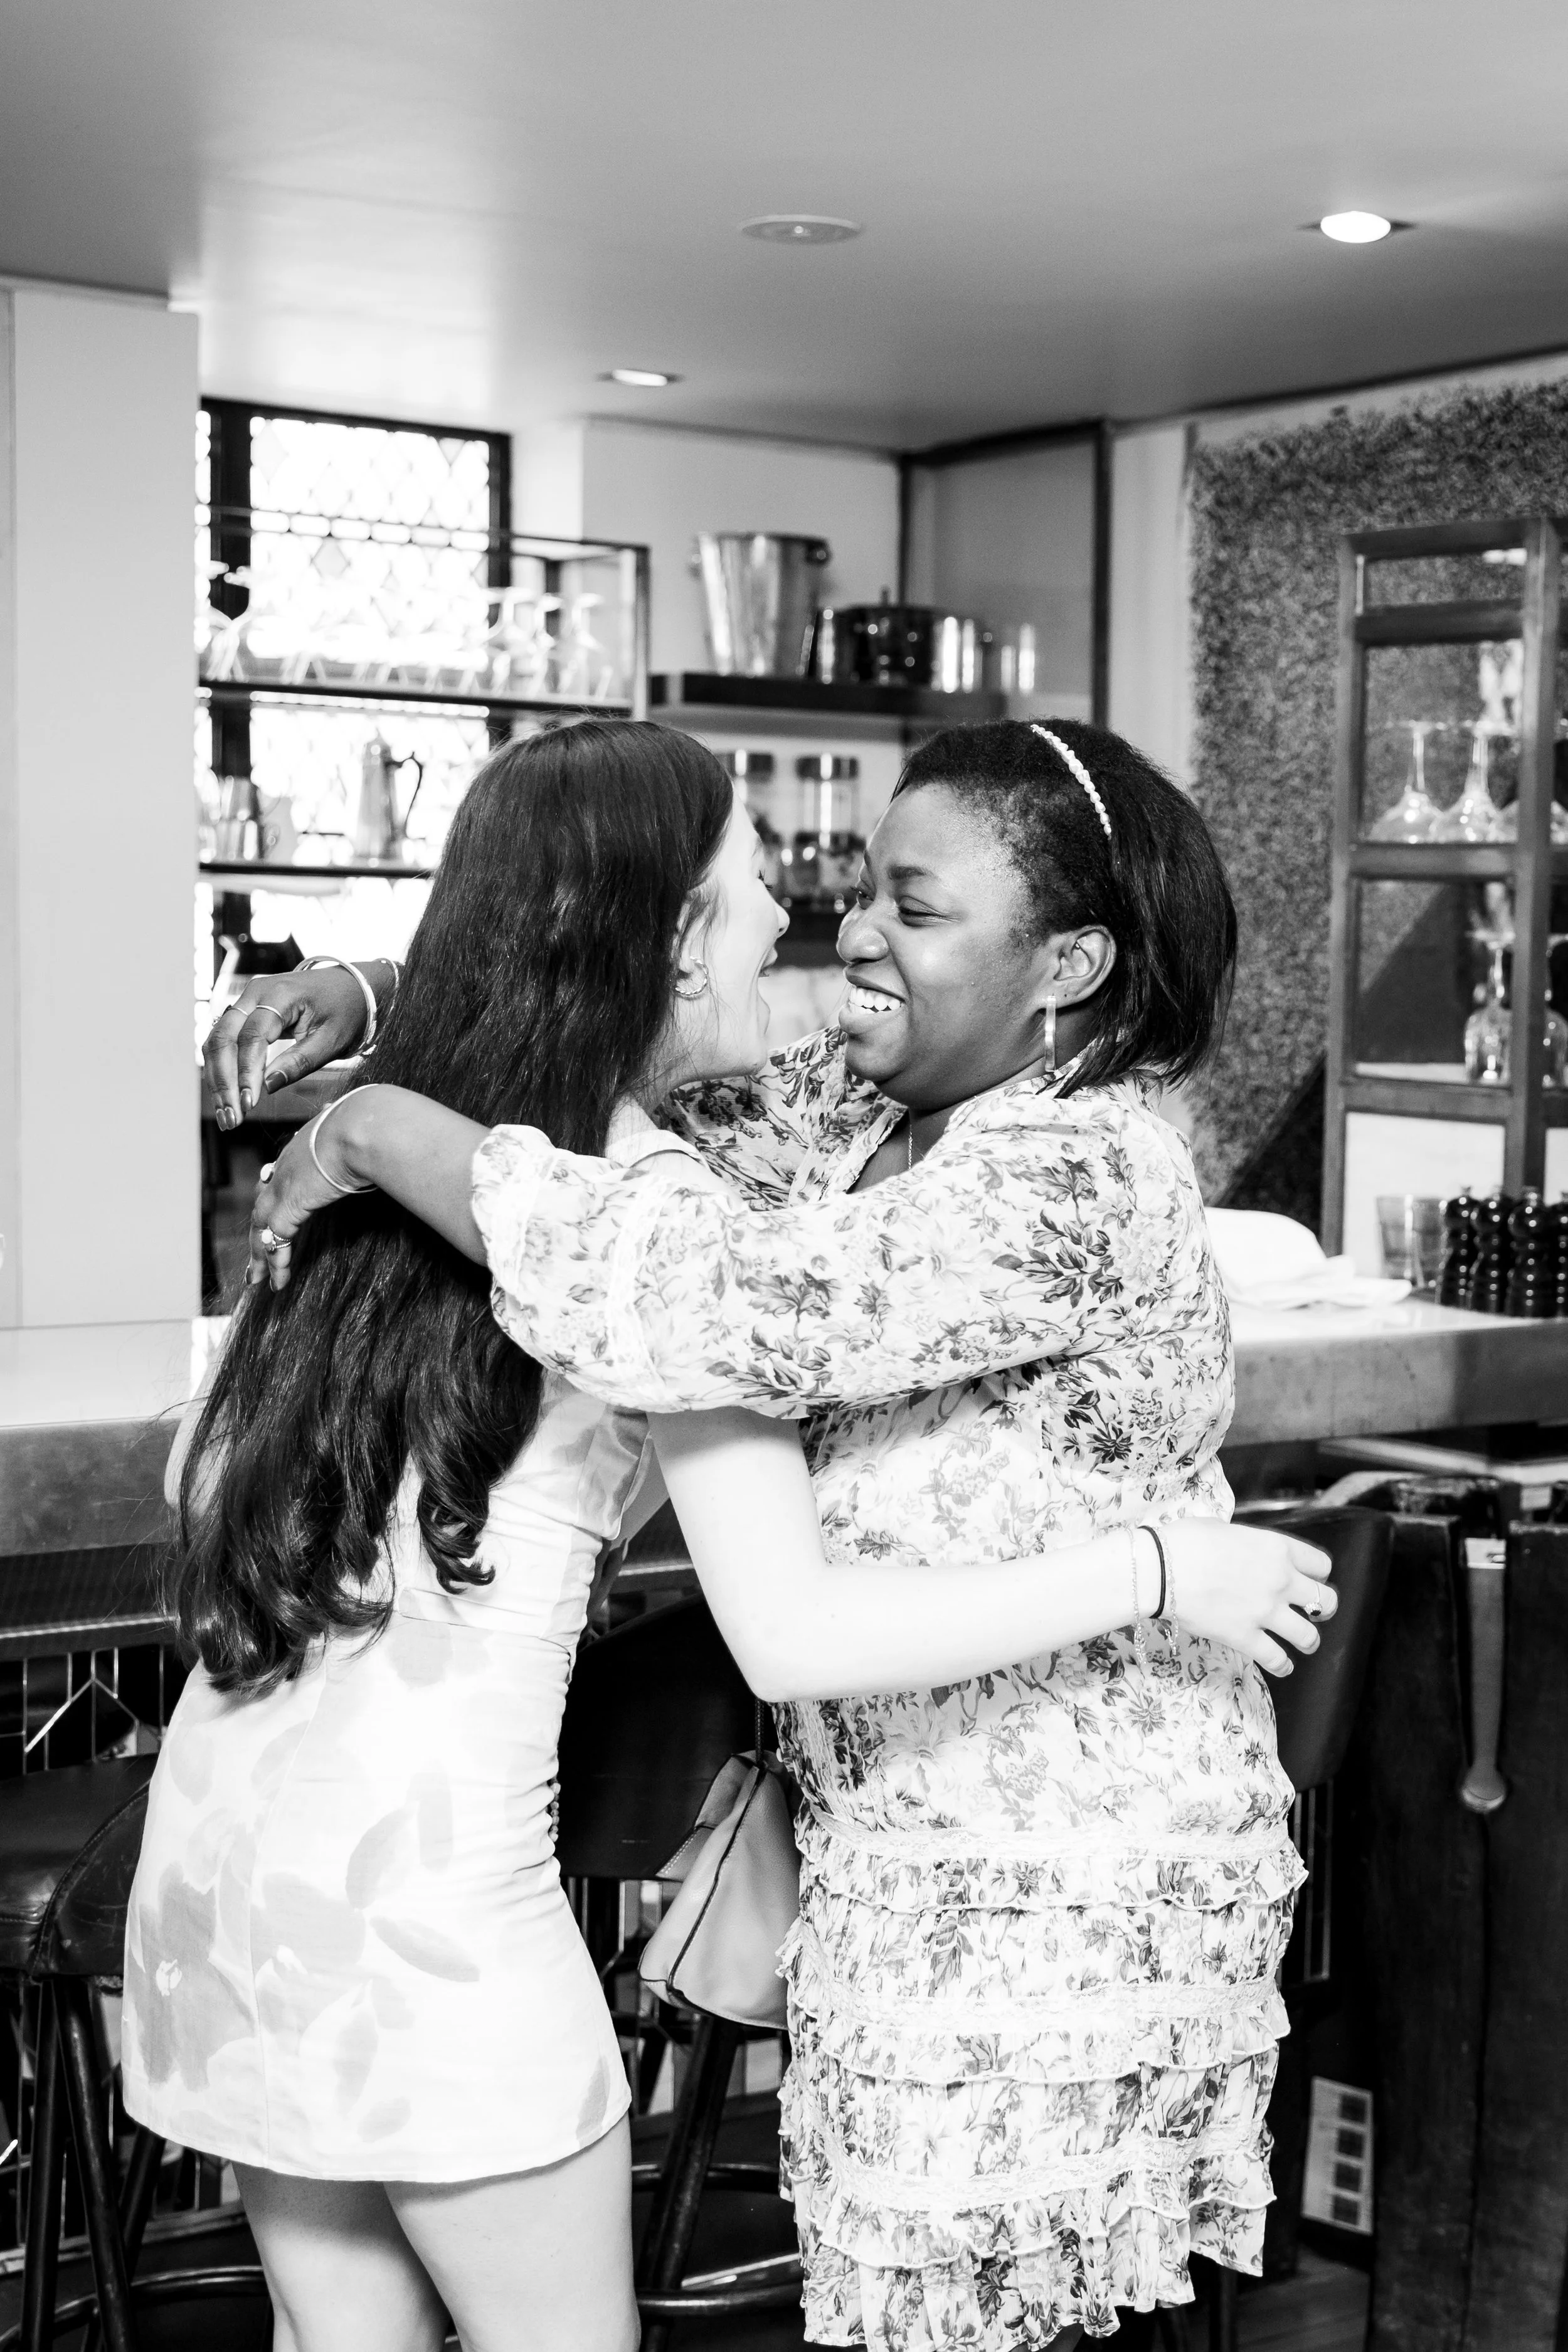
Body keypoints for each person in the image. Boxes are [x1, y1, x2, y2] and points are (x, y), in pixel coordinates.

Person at [162, 719, 1328, 2352]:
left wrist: (373, 1128)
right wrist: (375, 991)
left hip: (1075, 1871)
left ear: (1063, 961)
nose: (844, 933)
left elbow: (715, 1300)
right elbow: (625, 1022)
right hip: (897, 1842)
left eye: (912, 908)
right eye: (853, 887)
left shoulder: (1083, 1168)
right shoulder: (862, 1104)